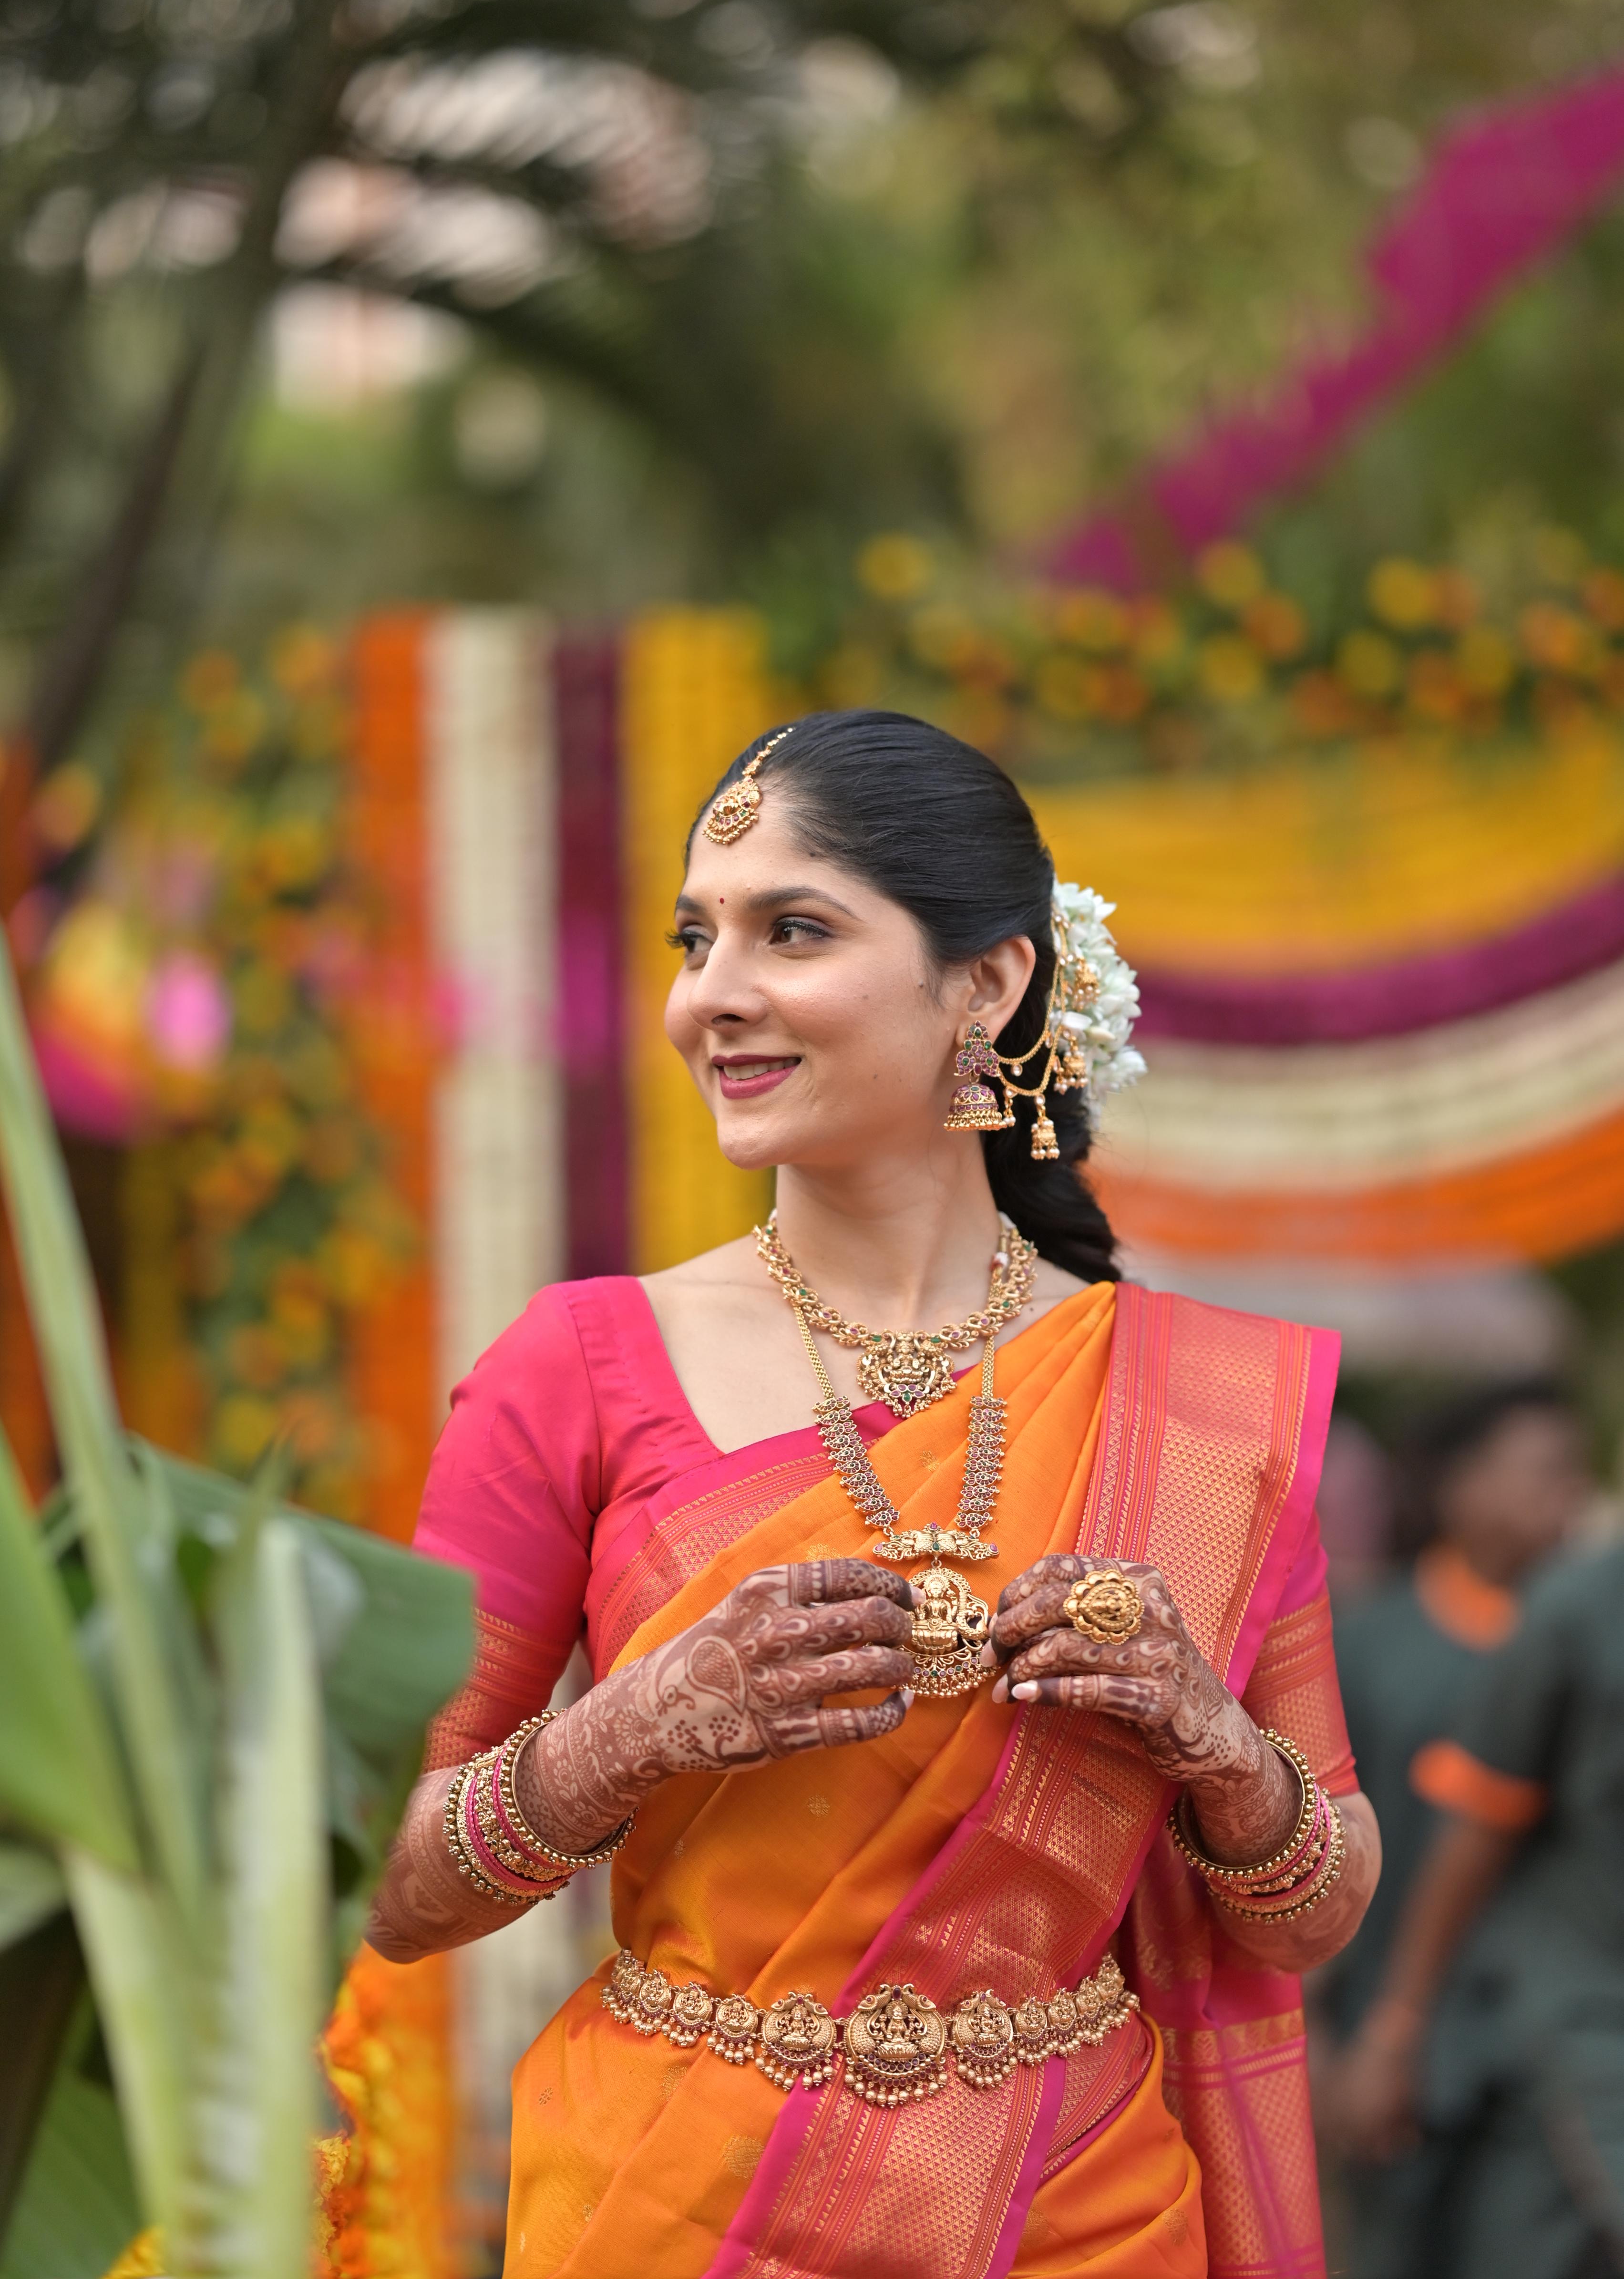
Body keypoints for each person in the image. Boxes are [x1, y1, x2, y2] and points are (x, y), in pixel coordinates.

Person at [366, 709, 1378, 2278]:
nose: (714, 995)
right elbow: (381, 1878)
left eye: (795, 930)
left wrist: (1214, 1748)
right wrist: (628, 1732)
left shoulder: (1197, 1409)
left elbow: (1308, 1911)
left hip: (1081, 2215)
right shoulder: (570, 1365)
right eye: (695, 938)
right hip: (679, 2207)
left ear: (984, 983)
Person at [1321, 1384, 1590, 2275]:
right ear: (1457, 1488)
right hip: (1391, 2031)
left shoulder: (1586, 1643)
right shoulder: (1367, 1646)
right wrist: (1327, 2037)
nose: (1567, 1499)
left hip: (1541, 2042)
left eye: (1574, 1475)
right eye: (1543, 1473)